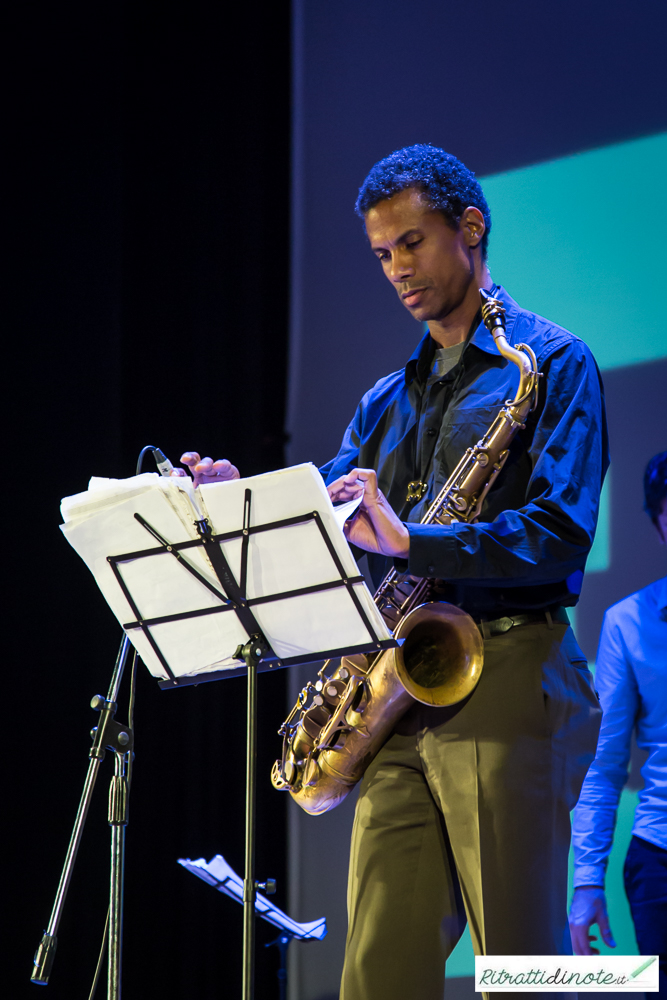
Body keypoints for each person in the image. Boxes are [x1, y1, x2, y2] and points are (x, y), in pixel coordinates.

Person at [177, 145, 606, 999]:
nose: (396, 270)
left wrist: (413, 542)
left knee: (522, 968)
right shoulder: (385, 398)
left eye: (411, 243)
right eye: (381, 254)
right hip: (397, 683)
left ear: (469, 228)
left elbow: (560, 533)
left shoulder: (551, 364)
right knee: (377, 970)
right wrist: (243, 501)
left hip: (510, 668)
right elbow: (328, 519)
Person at [569, 451, 667, 991]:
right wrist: (586, 883)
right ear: (658, 527)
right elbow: (604, 766)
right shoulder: (627, 623)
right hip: (660, 858)